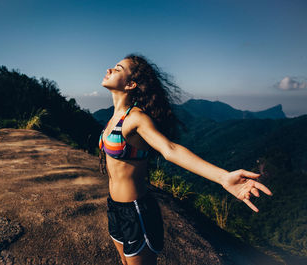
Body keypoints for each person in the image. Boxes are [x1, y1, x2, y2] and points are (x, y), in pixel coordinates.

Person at [98, 54, 272, 265]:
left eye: (118, 69)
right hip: (114, 207)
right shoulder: (113, 117)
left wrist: (223, 177)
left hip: (136, 212)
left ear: (131, 84)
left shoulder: (135, 118)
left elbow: (170, 149)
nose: (109, 70)